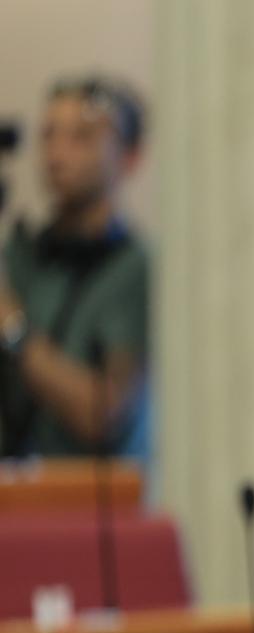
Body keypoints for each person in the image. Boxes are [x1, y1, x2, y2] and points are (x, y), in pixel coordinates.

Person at [0, 75, 150, 464]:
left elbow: (102, 412)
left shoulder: (137, 269)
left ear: (129, 155)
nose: (57, 153)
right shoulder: (22, 258)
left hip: (99, 507)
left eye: (81, 136)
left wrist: (12, 329)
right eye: (48, 135)